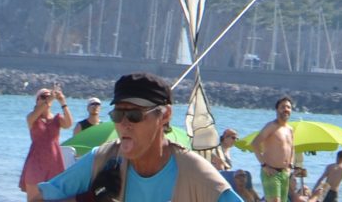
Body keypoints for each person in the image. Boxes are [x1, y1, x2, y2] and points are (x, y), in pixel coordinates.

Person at [28, 72, 228, 202]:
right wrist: (88, 199)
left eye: (134, 115)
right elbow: (37, 199)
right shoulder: (101, 161)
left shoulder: (194, 175)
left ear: (165, 115)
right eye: (118, 114)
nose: (124, 124)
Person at [25, 91, 73, 193]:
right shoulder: (32, 117)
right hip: (35, 162)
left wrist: (62, 102)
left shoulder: (57, 118)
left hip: (54, 161)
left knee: (53, 197)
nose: (47, 98)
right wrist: (50, 99)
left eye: (49, 96)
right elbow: (33, 116)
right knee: (34, 198)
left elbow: (69, 124)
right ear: (37, 101)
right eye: (43, 97)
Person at [253, 101, 299, 202]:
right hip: (271, 171)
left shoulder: (290, 129)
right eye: (283, 107)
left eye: (288, 107)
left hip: (284, 173)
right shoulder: (271, 126)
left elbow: (292, 148)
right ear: (277, 110)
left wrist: (290, 164)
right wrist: (264, 165)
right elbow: (255, 144)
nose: (286, 109)